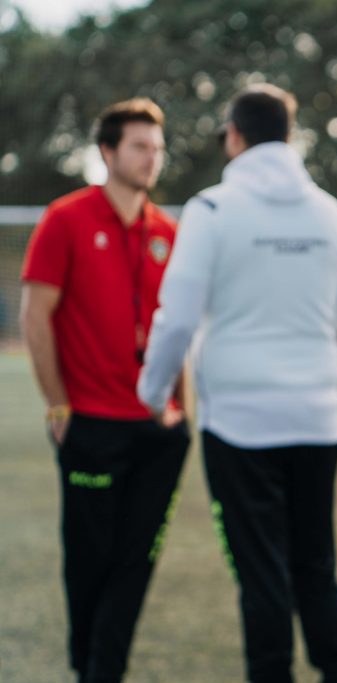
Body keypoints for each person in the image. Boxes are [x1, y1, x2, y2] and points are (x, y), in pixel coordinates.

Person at [137, 84, 337, 683]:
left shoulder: (212, 209)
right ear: (289, 134)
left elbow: (176, 317)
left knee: (261, 573)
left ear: (234, 136)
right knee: (316, 563)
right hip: (318, 416)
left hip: (238, 421)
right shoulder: (330, 211)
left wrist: (151, 393)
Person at [20, 97, 189, 683]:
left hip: (159, 431)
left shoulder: (168, 232)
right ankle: (88, 665)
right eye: (140, 146)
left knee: (136, 559)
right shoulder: (65, 219)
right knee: (89, 558)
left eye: (157, 148)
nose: (152, 158)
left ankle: (103, 671)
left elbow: (178, 326)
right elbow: (35, 316)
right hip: (90, 422)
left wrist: (181, 409)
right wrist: (58, 404)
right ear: (108, 152)